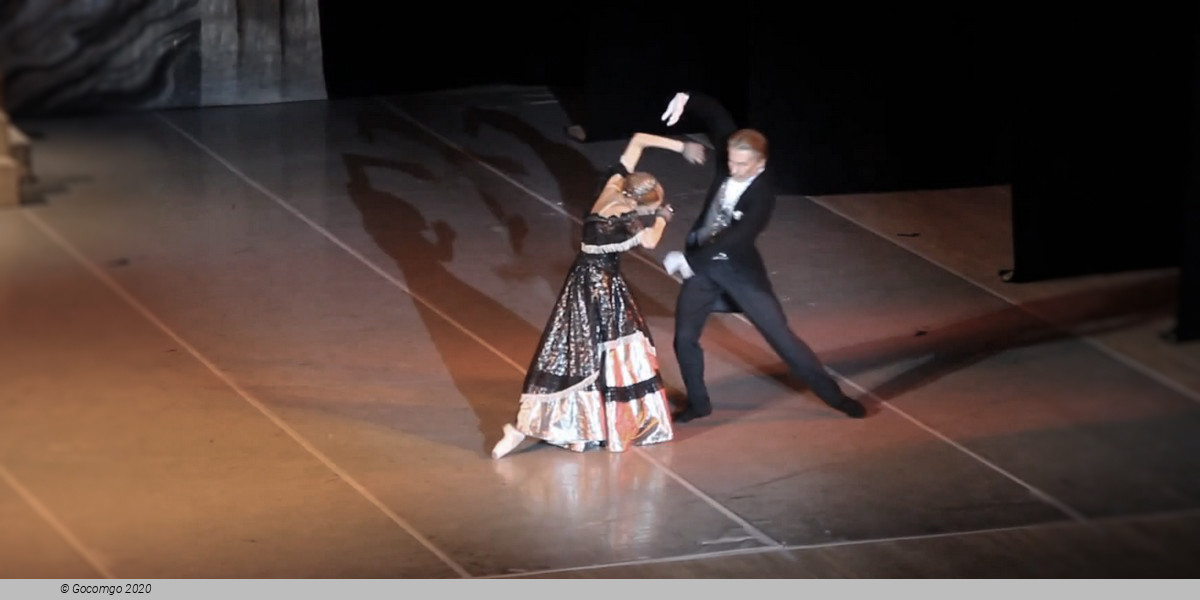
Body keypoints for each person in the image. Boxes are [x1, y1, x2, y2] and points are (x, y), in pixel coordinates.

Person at [658, 91, 867, 422]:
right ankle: (699, 404)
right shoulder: (733, 157)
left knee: (781, 338)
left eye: (742, 165)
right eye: (730, 161)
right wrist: (687, 98)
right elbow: (717, 116)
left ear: (761, 164)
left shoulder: (762, 196)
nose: (734, 169)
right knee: (684, 338)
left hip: (738, 271)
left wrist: (689, 262)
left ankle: (836, 398)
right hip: (703, 269)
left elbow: (736, 240)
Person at [491, 132, 702, 459]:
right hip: (600, 289)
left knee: (580, 353)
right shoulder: (620, 217)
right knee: (608, 352)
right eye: (649, 208)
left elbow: (637, 142)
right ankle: (536, 427)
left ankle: (575, 424)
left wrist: (682, 146)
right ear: (636, 203)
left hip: (582, 283)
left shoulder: (614, 186)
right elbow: (649, 242)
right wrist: (662, 218)